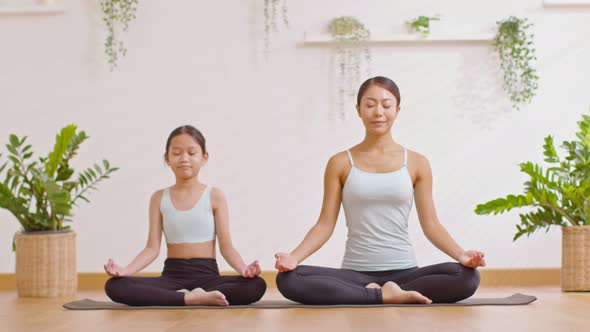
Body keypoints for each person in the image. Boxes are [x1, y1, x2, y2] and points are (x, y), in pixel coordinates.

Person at [274, 76, 485, 305]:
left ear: (397, 110)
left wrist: (462, 255)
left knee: (467, 277)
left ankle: (376, 295)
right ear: (358, 110)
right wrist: (293, 258)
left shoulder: (417, 162)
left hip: (406, 273)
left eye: (386, 105)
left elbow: (431, 224)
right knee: (289, 279)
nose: (378, 112)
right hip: (355, 275)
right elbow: (325, 224)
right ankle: (382, 294)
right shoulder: (340, 163)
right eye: (370, 104)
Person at [104, 125, 266, 306]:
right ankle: (190, 298)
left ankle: (182, 297)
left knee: (256, 285)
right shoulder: (158, 198)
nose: (184, 159)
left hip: (208, 277)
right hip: (172, 277)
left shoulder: (215, 196)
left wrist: (244, 269)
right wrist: (126, 271)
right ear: (167, 158)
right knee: (115, 286)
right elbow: (152, 248)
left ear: (204, 157)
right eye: (176, 153)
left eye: (191, 152)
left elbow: (226, 247)